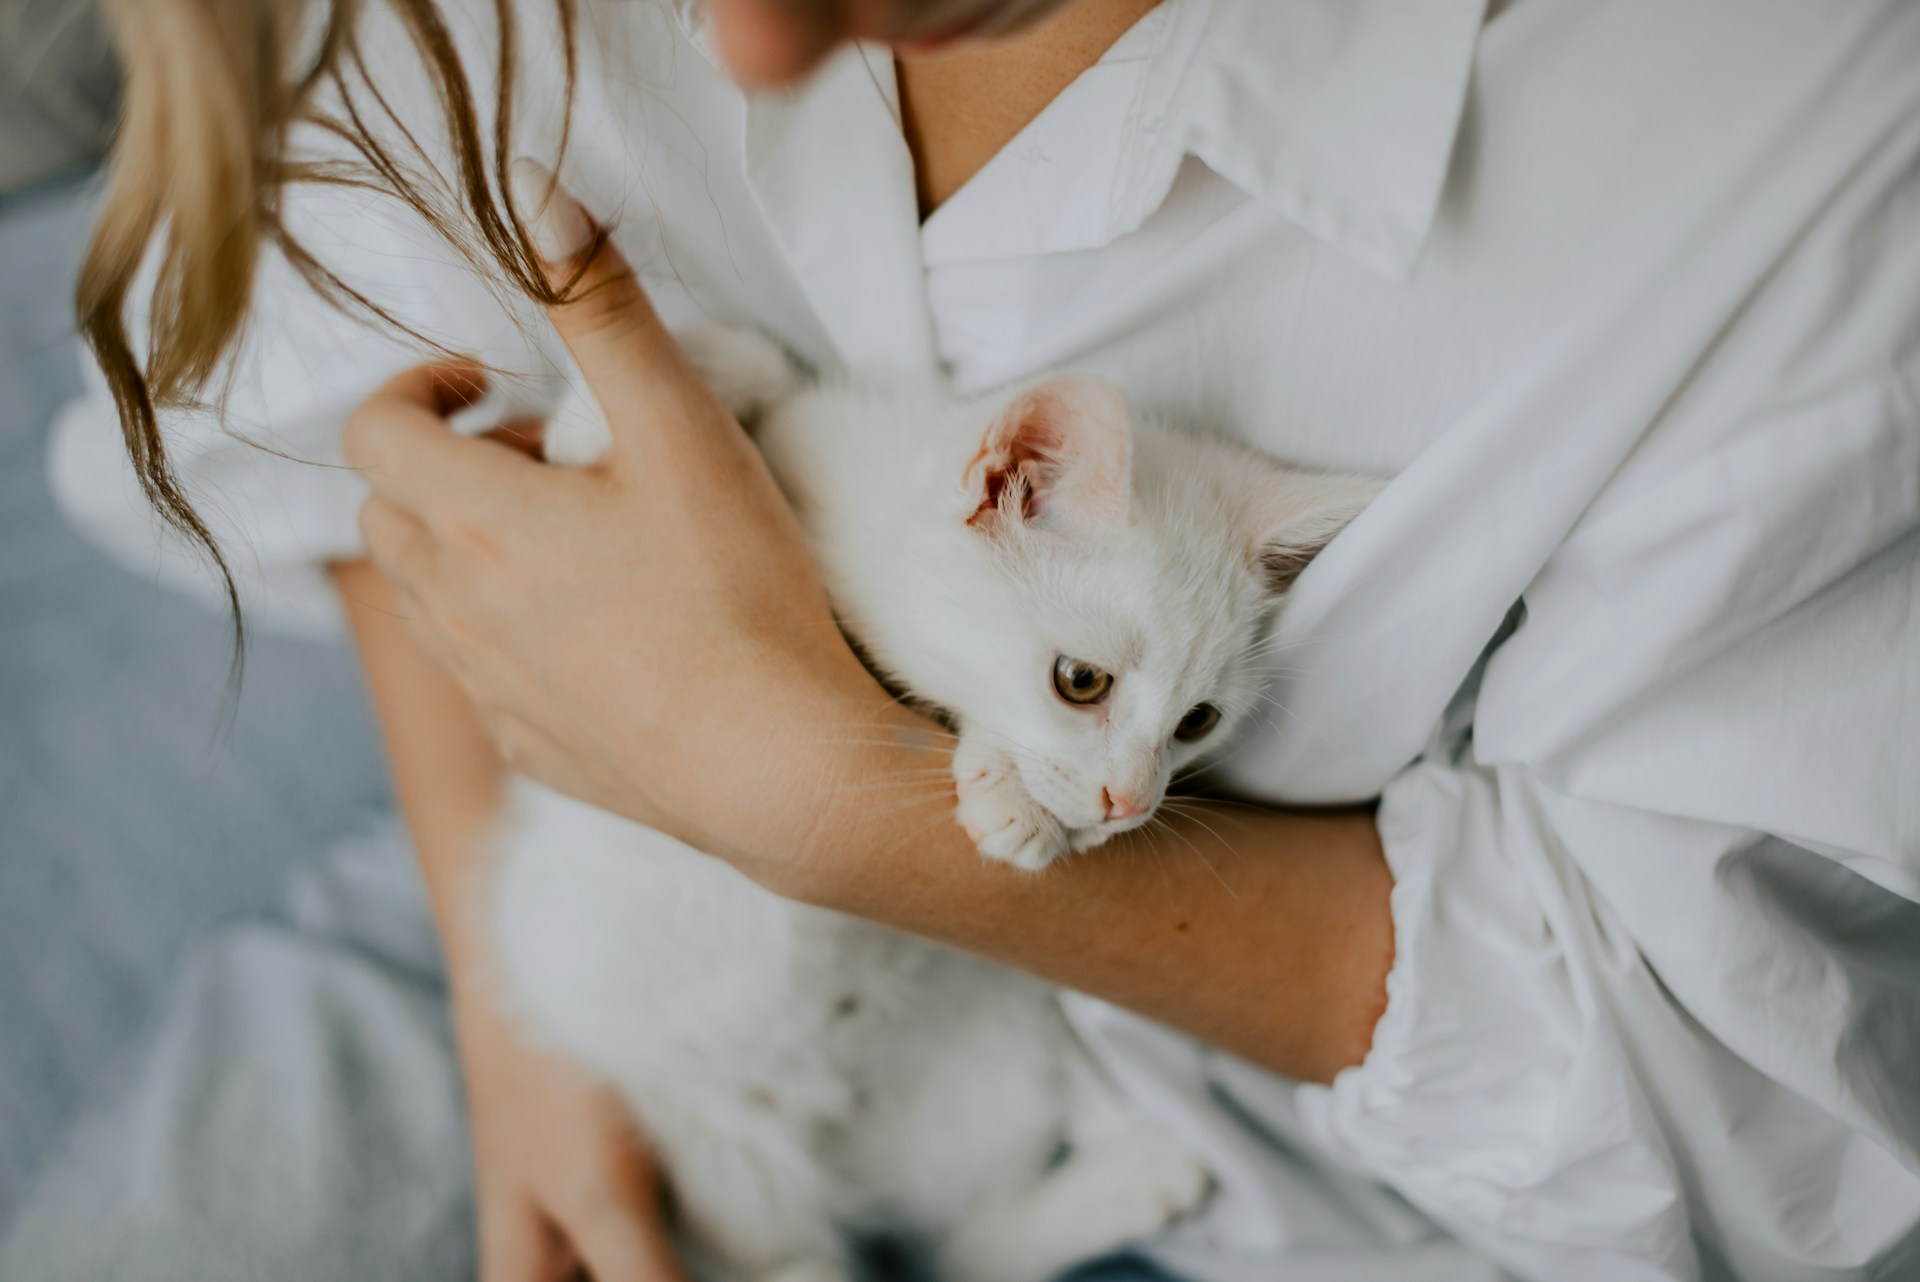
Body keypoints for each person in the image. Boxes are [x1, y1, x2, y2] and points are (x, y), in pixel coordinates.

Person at [9, 0, 1919, 1279]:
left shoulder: (1802, 147)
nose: (743, 42)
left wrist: (836, 806)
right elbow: (350, 427)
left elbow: (1765, 1135)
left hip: (1275, 1135)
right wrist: (523, 1011)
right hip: (545, 886)